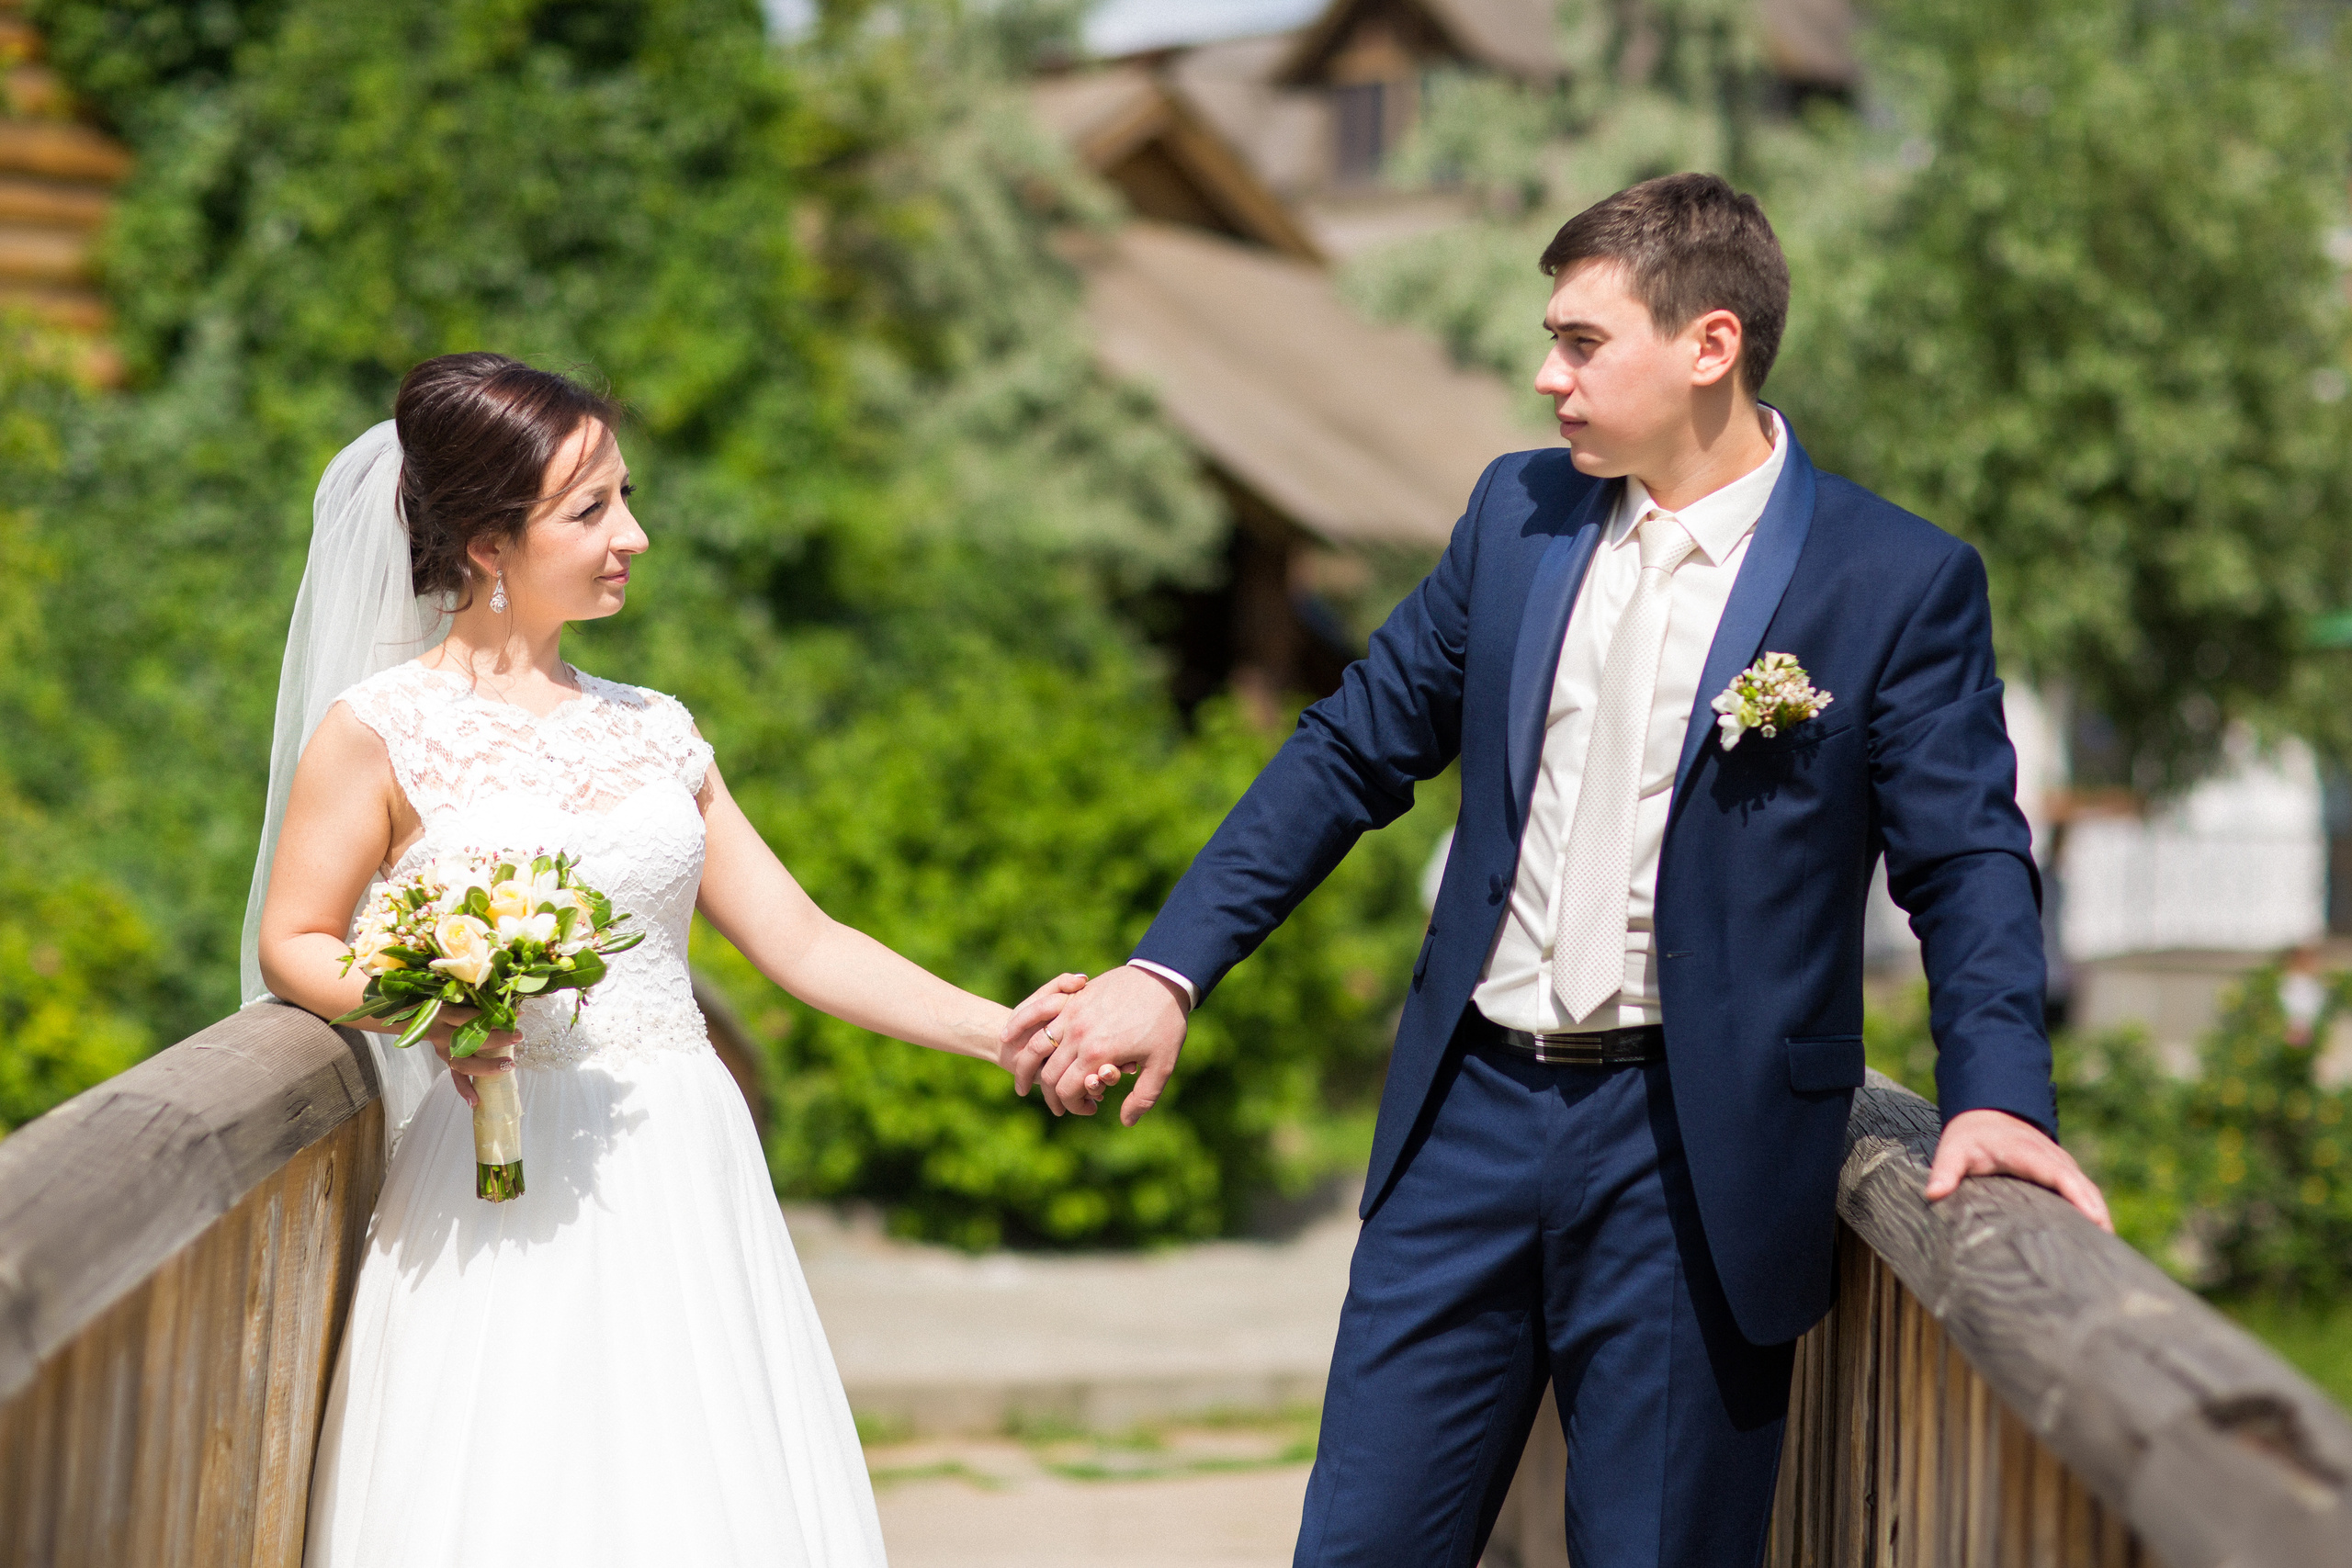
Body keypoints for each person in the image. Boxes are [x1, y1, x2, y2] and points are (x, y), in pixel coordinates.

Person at [1004, 175, 2114, 1568]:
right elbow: (1351, 752)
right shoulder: (1514, 518)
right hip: (1464, 1119)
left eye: (1582, 343)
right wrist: (1169, 972)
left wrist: (2001, 1093)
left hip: (1694, 1161)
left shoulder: (1892, 579)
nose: (1547, 375)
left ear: (1710, 345)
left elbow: (1964, 862)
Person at [249, 353, 1086, 1566]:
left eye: (626, 498)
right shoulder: (380, 732)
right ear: (487, 540)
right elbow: (294, 940)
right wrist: (424, 1004)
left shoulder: (659, 730)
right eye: (591, 511)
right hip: (501, 1163)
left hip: (680, 1166)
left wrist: (996, 1028)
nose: (631, 535)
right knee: (514, 1490)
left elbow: (802, 938)